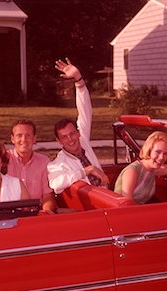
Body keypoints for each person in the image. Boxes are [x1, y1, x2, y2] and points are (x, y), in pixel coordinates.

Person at [47, 58, 109, 194]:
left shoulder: (83, 141)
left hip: (108, 196)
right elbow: (55, 184)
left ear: (78, 132)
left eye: (72, 133)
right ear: (58, 141)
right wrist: (87, 170)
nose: (70, 139)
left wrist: (78, 80)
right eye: (64, 137)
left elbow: (85, 110)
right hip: (92, 207)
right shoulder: (58, 163)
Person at [114, 131, 167, 204]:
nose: (161, 157)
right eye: (157, 152)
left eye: (165, 154)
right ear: (149, 150)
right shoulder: (132, 171)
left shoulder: (154, 170)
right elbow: (127, 203)